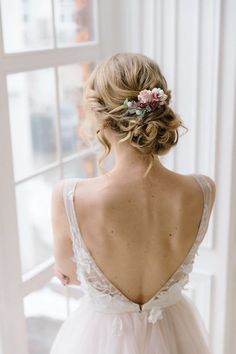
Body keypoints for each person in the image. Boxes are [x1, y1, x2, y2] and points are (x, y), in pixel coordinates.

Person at [50, 53, 216, 354]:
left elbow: (69, 275)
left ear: (100, 117)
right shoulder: (202, 190)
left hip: (97, 339)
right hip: (174, 332)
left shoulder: (69, 197)